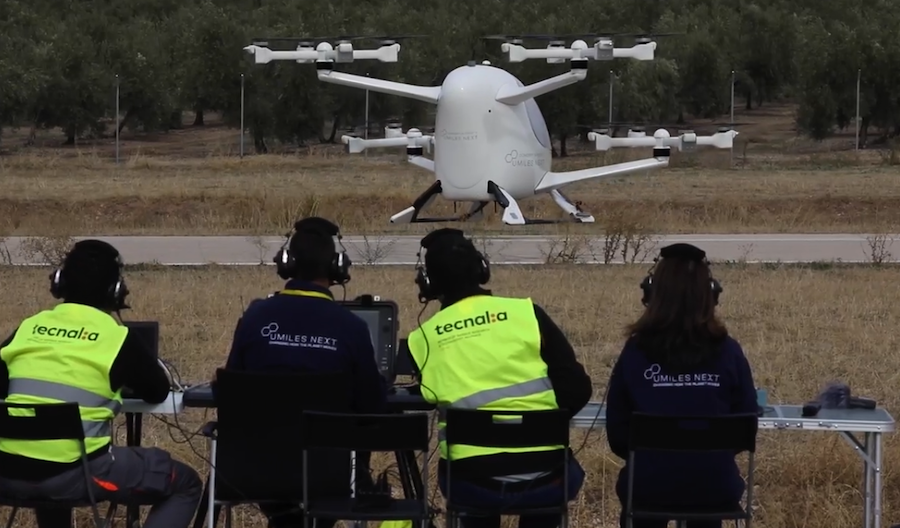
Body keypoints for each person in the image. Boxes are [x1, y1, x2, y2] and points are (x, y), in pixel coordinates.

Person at [0, 239, 202, 528]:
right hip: (78, 475)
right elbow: (156, 390)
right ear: (116, 291)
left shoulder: (28, 328)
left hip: (8, 473)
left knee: (51, 469)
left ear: (59, 282)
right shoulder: (116, 337)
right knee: (185, 483)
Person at [406, 228, 592, 528]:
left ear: (428, 283)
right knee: (545, 498)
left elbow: (427, 396)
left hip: (470, 481)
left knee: (472, 494)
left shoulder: (422, 339)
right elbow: (577, 389)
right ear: (482, 268)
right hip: (546, 476)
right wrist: (540, 424)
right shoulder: (527, 314)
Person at [223, 216, 387, 528]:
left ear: (285, 264)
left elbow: (231, 390)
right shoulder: (351, 327)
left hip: (255, 474)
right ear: (338, 268)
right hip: (331, 474)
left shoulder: (256, 316)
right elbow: (372, 408)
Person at [605, 243, 758, 528]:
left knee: (645, 490)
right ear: (711, 295)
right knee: (704, 485)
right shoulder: (729, 351)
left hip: (648, 487)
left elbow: (617, 434)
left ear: (652, 295)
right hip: (715, 489)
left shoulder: (636, 351)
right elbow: (746, 422)